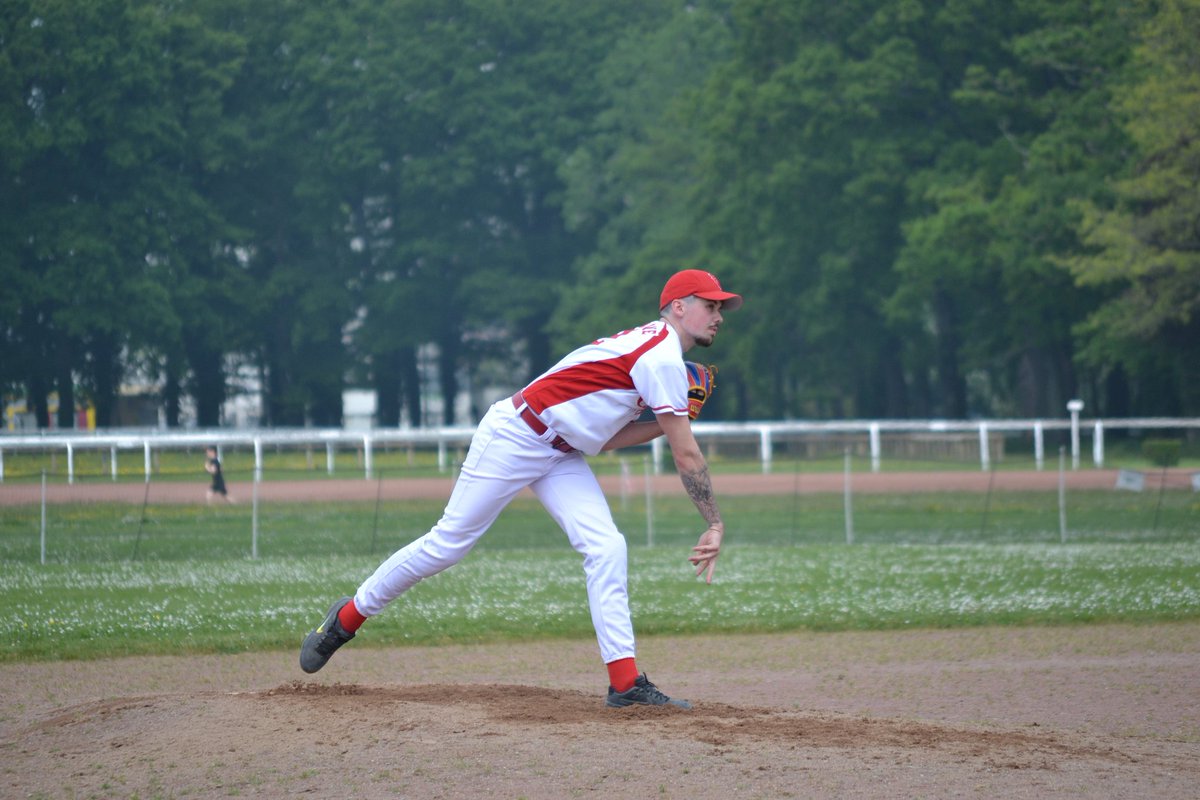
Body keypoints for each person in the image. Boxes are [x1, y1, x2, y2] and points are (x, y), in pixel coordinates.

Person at [300, 269, 743, 709]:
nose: (718, 314)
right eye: (710, 304)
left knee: (607, 547)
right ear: (679, 307)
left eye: (720, 307)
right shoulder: (660, 357)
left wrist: (672, 420)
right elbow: (687, 456)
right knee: (448, 545)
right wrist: (715, 522)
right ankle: (345, 619)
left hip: (562, 451)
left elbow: (604, 440)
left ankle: (625, 683)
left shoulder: (656, 352)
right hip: (515, 435)